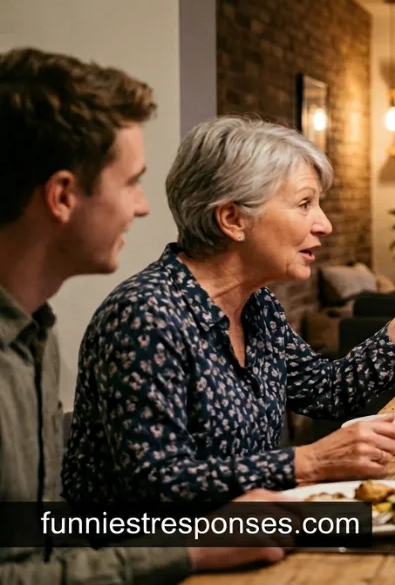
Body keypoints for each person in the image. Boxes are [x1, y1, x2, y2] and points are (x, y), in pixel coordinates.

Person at [63, 115, 395, 504]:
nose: (325, 223)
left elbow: (328, 392)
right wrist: (307, 461)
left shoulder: (256, 305)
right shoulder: (146, 316)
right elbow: (156, 486)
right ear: (232, 219)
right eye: (304, 204)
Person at [0, 47, 289, 581]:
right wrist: (195, 549)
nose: (144, 206)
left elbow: (41, 537)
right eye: (130, 181)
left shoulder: (34, 333)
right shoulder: (139, 312)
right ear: (63, 196)